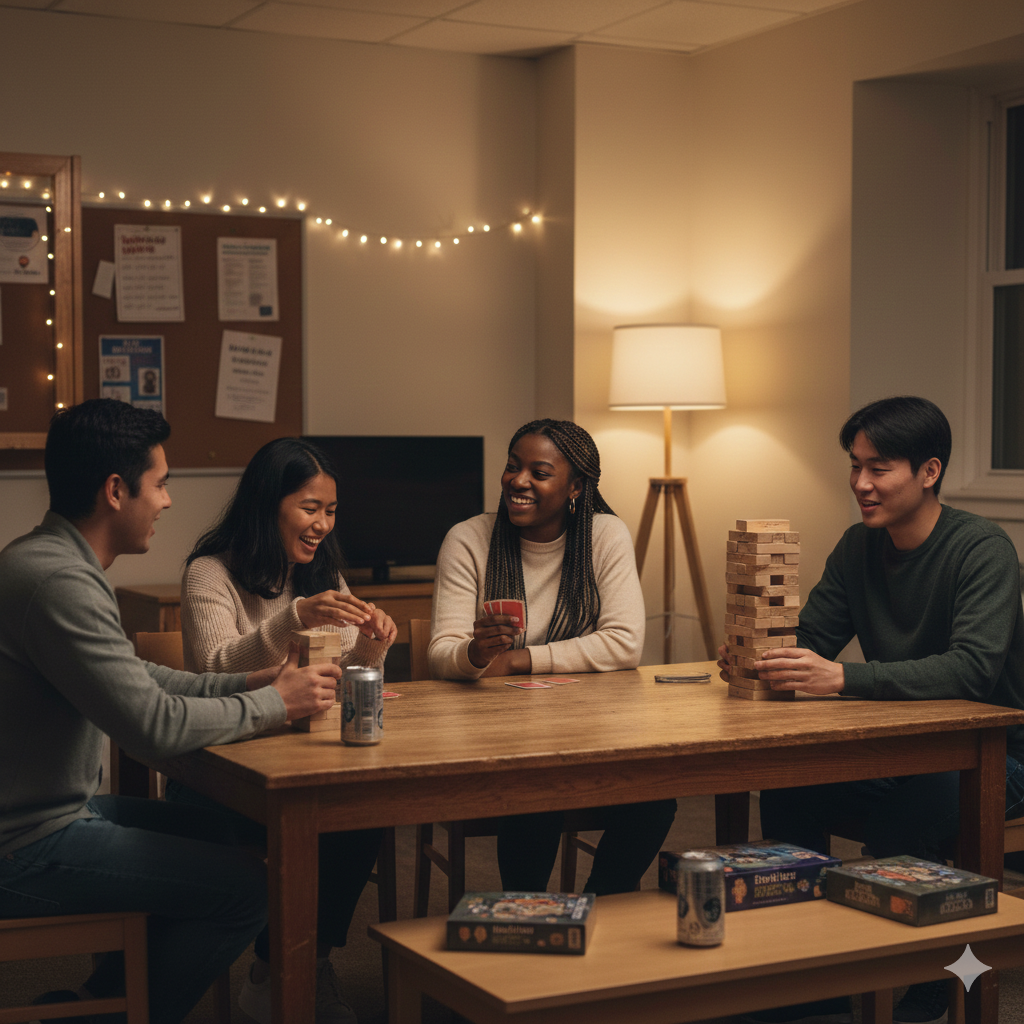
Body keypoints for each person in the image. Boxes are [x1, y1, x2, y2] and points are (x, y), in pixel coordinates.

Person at [0, 399, 340, 1024]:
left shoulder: (55, 560)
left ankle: (96, 999)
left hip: (48, 811)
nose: (167, 501)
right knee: (250, 889)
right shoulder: (58, 582)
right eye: (159, 484)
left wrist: (254, 680)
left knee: (223, 836)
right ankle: (110, 1018)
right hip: (23, 842)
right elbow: (150, 726)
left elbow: (139, 678)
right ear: (114, 490)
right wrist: (273, 703)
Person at [720, 396, 1024, 1024]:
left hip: (993, 757)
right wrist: (762, 655)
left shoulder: (983, 549)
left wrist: (841, 678)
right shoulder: (859, 546)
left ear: (929, 472)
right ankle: (805, 969)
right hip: (905, 746)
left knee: (901, 824)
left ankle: (926, 980)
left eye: (878, 468)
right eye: (855, 466)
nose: (860, 483)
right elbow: (815, 638)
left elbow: (972, 669)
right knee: (788, 789)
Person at [179, 436, 397, 1024]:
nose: (323, 524)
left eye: (330, 510)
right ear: (267, 502)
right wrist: (293, 618)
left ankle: (294, 967)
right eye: (309, 508)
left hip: (303, 752)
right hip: (225, 762)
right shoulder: (210, 572)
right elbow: (212, 670)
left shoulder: (324, 572)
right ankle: (280, 971)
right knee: (312, 818)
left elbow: (352, 675)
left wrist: (375, 641)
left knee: (363, 807)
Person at [430, 418, 676, 893]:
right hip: (497, 737)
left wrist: (520, 659)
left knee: (655, 800)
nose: (518, 481)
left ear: (575, 487)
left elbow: (625, 641)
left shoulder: (604, 535)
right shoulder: (469, 539)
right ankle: (529, 912)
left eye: (538, 473)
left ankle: (597, 905)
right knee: (536, 790)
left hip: (588, 731)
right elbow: (442, 653)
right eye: (512, 467)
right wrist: (474, 652)